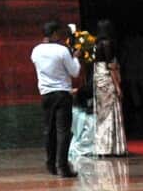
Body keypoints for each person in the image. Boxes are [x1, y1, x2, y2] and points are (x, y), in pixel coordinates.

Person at [32, 21, 81, 178]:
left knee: (49, 131)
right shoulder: (62, 50)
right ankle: (63, 166)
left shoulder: (36, 50)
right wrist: (75, 58)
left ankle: (51, 164)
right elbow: (74, 72)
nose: (60, 36)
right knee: (63, 132)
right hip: (62, 94)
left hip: (46, 94)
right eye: (58, 33)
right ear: (53, 34)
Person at [93, 19, 128, 156]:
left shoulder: (96, 45)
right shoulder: (107, 44)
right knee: (112, 111)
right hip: (107, 80)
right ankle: (113, 147)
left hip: (98, 80)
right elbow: (111, 66)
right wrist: (118, 86)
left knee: (102, 113)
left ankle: (102, 147)